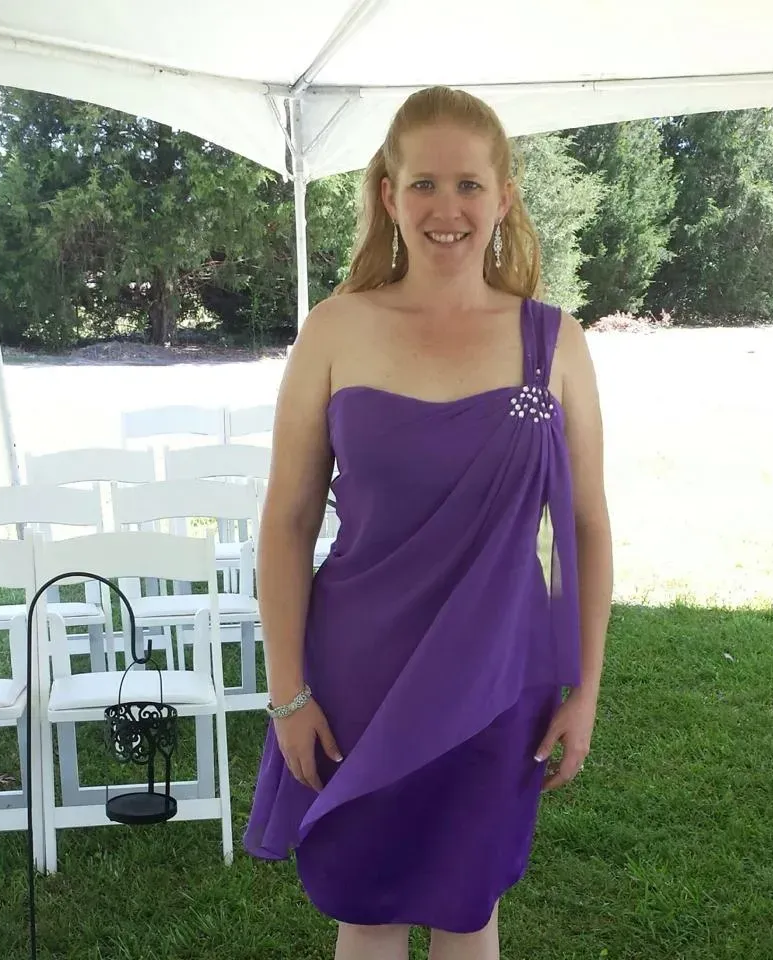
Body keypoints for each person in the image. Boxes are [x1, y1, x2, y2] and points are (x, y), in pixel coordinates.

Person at [243, 86, 613, 960]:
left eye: (470, 185)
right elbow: (287, 521)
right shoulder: (334, 330)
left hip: (498, 678)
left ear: (505, 197)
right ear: (387, 194)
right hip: (355, 673)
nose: (447, 209)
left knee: (465, 905)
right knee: (366, 906)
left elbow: (589, 529)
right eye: (423, 184)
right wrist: (288, 689)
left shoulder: (554, 342)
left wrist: (586, 689)